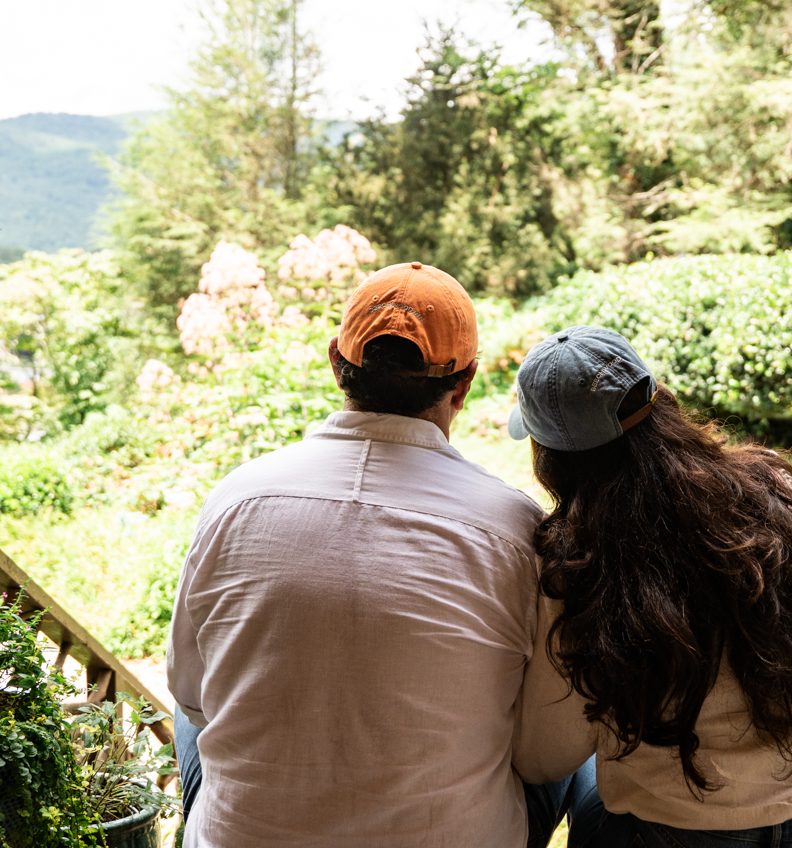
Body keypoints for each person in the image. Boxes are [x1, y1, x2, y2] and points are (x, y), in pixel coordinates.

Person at [166, 262, 596, 848]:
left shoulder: (236, 498)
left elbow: (191, 692)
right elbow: (544, 755)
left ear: (336, 364)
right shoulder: (516, 529)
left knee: (192, 729)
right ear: (463, 384)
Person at [510, 326, 792, 848]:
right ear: (659, 399)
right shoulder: (780, 497)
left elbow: (542, 758)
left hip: (676, 834)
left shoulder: (578, 567)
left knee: (584, 770)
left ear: (549, 458)